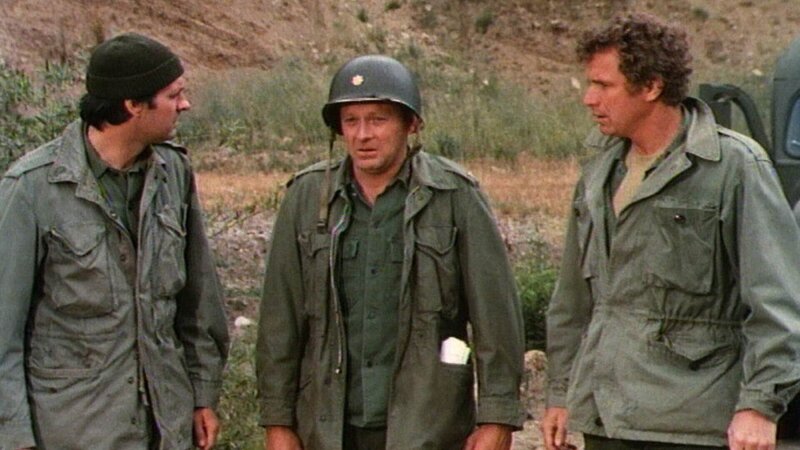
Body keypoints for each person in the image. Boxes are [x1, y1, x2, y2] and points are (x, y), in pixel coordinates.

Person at [541, 13, 800, 450]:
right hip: (606, 420)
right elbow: (571, 301)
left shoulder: (732, 167)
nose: (589, 98)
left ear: (651, 86)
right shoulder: (599, 172)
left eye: (603, 85)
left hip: (690, 423)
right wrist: (561, 393)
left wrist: (759, 405)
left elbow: (777, 303)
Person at [255, 54, 525, 450]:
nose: (363, 135)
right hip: (327, 428)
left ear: (410, 124)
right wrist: (277, 421)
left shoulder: (454, 196)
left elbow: (495, 315)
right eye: (351, 121)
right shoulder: (307, 198)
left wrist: (497, 417)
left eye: (378, 120)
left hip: (429, 427)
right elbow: (280, 319)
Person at [0, 32, 229, 450]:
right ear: (133, 105)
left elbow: (198, 301)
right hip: (75, 432)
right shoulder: (32, 188)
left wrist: (202, 395)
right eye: (173, 95)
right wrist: (15, 438)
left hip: (166, 426)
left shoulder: (173, 173)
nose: (185, 104)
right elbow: (3, 331)